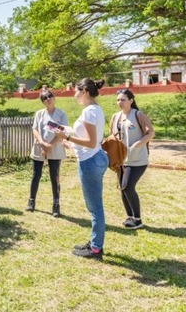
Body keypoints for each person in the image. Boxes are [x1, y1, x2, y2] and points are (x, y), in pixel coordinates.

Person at [54, 79, 108, 259]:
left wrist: (68, 136)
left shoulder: (89, 112)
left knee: (95, 208)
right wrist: (71, 142)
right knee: (95, 205)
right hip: (95, 157)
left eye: (75, 91)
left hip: (90, 161)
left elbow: (91, 142)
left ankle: (95, 248)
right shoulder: (94, 110)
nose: (74, 94)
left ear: (84, 91)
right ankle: (95, 243)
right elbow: (89, 140)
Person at [111, 89, 155, 229]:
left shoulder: (138, 115)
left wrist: (138, 144)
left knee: (128, 186)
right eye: (118, 100)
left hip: (137, 159)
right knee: (123, 189)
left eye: (123, 99)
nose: (120, 102)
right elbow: (113, 136)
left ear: (131, 100)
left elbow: (150, 132)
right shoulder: (115, 117)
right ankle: (130, 217)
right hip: (121, 160)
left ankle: (137, 219)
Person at [25, 90, 68, 216]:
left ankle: (56, 205)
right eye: (45, 98)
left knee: (54, 177)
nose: (48, 99)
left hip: (55, 147)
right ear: (42, 101)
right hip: (40, 146)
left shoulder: (61, 114)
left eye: (50, 96)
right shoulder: (39, 114)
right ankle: (31, 201)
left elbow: (63, 132)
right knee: (36, 175)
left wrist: (50, 145)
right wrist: (43, 143)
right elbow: (35, 129)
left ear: (54, 98)